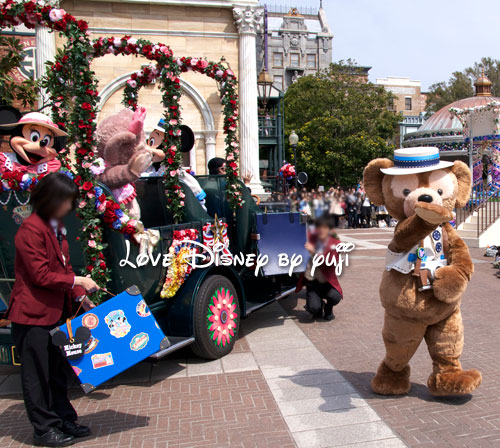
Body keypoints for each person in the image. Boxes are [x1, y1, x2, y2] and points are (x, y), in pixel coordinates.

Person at [6, 172, 100, 447]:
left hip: (57, 314)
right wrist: (78, 280)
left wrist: (81, 294)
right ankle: (44, 429)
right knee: (37, 376)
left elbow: (64, 269)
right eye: (65, 201)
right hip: (32, 315)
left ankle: (63, 419)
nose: (68, 207)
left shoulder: (55, 228)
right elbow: (40, 274)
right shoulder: (29, 229)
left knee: (59, 372)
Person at [298, 215, 343, 320]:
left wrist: (314, 251)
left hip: (327, 283)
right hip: (313, 283)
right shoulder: (309, 239)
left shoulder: (335, 242)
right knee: (314, 308)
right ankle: (318, 307)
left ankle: (328, 308)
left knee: (335, 297)